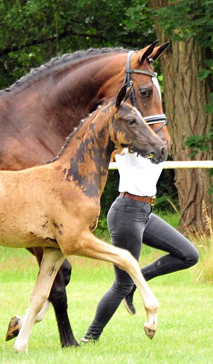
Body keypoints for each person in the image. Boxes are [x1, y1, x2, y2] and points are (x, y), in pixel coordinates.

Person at [81, 114, 199, 343]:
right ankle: (90, 337)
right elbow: (116, 147)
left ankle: (139, 279)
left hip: (145, 212)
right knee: (122, 283)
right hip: (126, 212)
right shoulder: (127, 147)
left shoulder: (156, 147)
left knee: (189, 255)